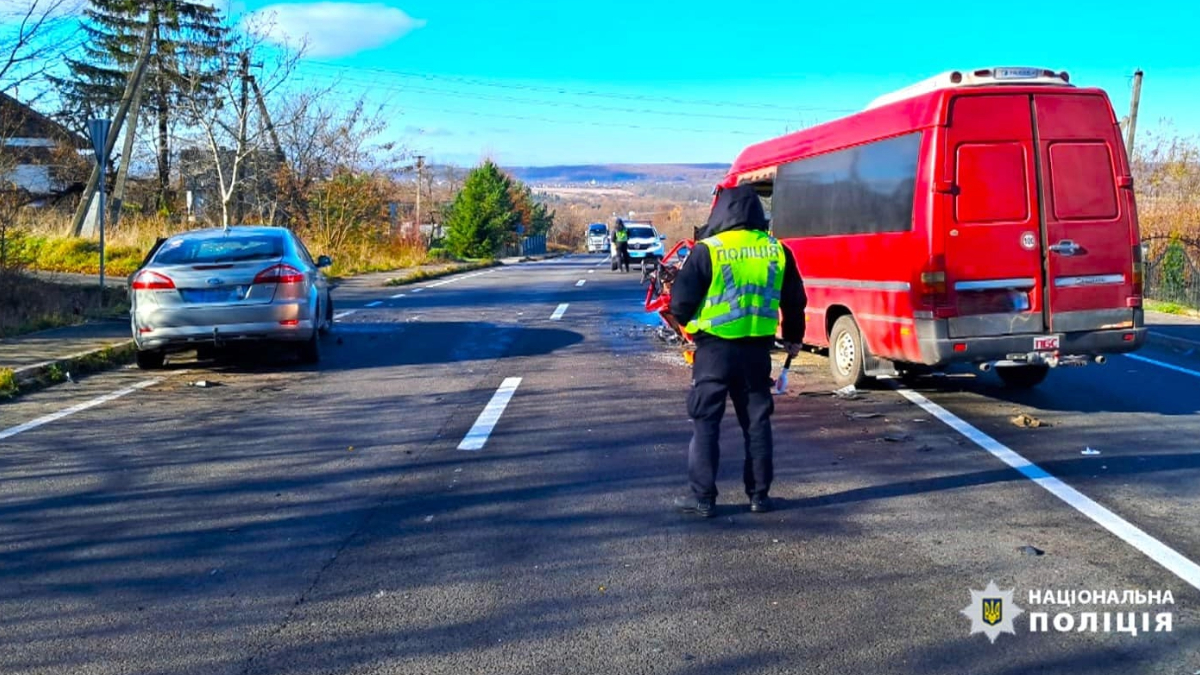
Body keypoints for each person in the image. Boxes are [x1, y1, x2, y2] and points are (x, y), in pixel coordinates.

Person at [668, 184, 807, 517]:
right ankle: (759, 496)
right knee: (757, 423)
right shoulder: (778, 251)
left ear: (721, 212)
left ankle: (703, 499)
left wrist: (689, 325)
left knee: (706, 422)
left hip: (713, 351)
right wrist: (793, 337)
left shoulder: (708, 250)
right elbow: (795, 300)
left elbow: (680, 304)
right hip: (757, 352)